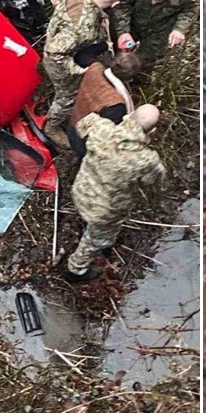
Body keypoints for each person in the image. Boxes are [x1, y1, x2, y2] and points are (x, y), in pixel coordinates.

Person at [65, 104, 166, 282]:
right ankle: (75, 269)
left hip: (81, 191)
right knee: (93, 241)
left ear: (131, 114)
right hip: (104, 212)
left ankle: (95, 234)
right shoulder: (148, 160)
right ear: (153, 130)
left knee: (94, 223)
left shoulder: (101, 127)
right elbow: (153, 189)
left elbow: (78, 127)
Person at [41, 0, 130, 134]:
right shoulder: (82, 28)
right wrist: (75, 69)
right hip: (58, 59)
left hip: (57, 35)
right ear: (114, 2)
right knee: (68, 96)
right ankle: (51, 127)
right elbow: (54, 51)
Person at [113, 0, 199, 67]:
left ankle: (134, 75)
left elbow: (190, 10)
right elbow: (123, 6)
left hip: (161, 25)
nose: (154, 2)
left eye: (158, 1)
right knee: (119, 46)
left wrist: (179, 29)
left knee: (146, 57)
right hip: (135, 18)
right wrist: (123, 31)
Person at [67, 51, 142, 159]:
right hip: (84, 143)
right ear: (130, 79)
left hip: (72, 125)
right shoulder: (116, 104)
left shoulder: (95, 68)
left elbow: (83, 56)